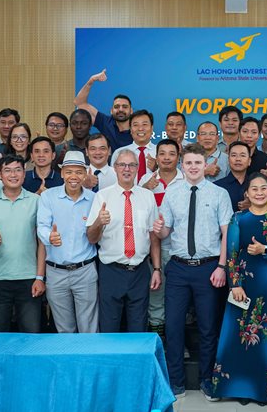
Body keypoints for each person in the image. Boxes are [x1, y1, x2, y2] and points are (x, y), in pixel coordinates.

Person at [155, 143, 234, 398]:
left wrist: (222, 266)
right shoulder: (172, 193)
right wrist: (159, 229)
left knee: (208, 327)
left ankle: (207, 380)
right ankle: (176, 382)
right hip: (178, 268)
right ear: (182, 165)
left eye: (197, 163)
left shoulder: (219, 193)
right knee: (173, 326)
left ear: (205, 165)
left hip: (209, 268)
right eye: (188, 162)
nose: (192, 167)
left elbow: (226, 233)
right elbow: (166, 232)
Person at [208, 173, 267, 402]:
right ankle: (239, 389)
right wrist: (235, 284)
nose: (259, 193)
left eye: (263, 188)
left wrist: (266, 249)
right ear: (247, 193)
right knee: (239, 334)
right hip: (244, 284)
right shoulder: (238, 219)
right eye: (254, 188)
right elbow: (232, 254)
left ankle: (266, 390)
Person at [87, 146, 163, 333]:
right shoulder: (102, 196)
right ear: (115, 168)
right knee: (109, 327)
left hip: (140, 271)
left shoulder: (147, 197)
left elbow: (153, 237)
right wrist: (98, 222)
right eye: (122, 165)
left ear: (137, 168)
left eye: (131, 165)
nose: (127, 169)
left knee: (138, 327)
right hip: (111, 271)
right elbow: (91, 238)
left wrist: (156, 269)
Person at [0, 154, 46, 333]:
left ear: (24, 173)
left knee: (31, 333)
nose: (13, 175)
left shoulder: (36, 201)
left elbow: (42, 243)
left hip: (29, 277)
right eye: (7, 170)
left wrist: (39, 277)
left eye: (17, 170)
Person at [36, 151, 98, 333]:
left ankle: (88, 353)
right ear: (62, 173)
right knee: (64, 329)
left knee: (89, 327)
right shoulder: (48, 197)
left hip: (85, 270)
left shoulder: (94, 198)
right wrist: (49, 237)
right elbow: (41, 226)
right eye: (69, 171)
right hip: (56, 272)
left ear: (85, 174)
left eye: (79, 172)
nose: (73, 176)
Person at [140, 139, 182, 334]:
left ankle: (177, 338)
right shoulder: (145, 180)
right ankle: (159, 337)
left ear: (178, 157)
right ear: (156, 157)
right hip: (154, 249)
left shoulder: (186, 180)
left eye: (171, 154)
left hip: (180, 250)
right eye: (162, 153)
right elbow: (136, 211)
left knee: (179, 298)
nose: (166, 158)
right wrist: (145, 189)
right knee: (156, 294)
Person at [74, 70, 134, 149]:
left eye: (125, 107)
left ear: (131, 111)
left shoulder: (137, 127)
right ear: (111, 111)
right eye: (116, 107)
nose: (120, 110)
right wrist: (91, 80)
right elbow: (79, 103)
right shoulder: (105, 122)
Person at [216, 141, 252, 210]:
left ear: (249, 161)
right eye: (234, 155)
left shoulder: (257, 186)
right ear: (228, 160)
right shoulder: (217, 187)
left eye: (242, 155)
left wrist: (253, 206)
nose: (238, 159)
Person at [127, 110, 158, 181]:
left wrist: (157, 168)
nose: (140, 129)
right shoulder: (120, 153)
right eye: (136, 125)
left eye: (144, 124)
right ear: (130, 129)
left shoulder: (160, 152)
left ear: (152, 128)